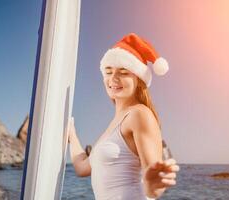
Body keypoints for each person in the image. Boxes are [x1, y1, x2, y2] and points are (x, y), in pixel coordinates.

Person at [68, 33, 179, 199]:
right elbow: (82, 167)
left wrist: (154, 183)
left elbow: (151, 183)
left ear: (139, 79)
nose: (113, 78)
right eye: (108, 71)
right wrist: (71, 134)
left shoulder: (139, 114)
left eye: (123, 72)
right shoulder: (114, 123)